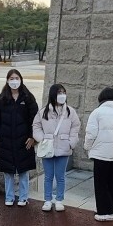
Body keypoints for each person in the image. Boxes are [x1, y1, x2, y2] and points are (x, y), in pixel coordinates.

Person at [0, 69, 38, 206]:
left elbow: (35, 119)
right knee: (8, 171)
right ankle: (9, 197)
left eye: (16, 78)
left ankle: (23, 197)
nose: (14, 81)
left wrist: (32, 137)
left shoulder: (28, 98)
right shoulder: (1, 99)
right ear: (7, 80)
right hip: (6, 140)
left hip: (24, 141)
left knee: (23, 170)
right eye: (11, 78)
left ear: (21, 79)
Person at [32, 83, 80, 212]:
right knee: (48, 176)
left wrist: (71, 142)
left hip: (64, 148)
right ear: (53, 94)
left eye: (64, 92)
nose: (62, 95)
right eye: (59, 92)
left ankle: (59, 200)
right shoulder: (43, 112)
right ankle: (47, 200)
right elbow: (36, 126)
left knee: (60, 176)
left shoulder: (70, 111)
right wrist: (42, 139)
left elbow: (76, 127)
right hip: (47, 147)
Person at [85, 87, 113, 222]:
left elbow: (91, 134)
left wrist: (88, 147)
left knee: (101, 183)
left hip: (100, 153)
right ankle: (111, 210)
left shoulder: (97, 113)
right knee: (112, 182)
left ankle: (103, 211)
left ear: (101, 99)